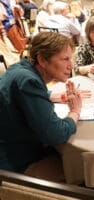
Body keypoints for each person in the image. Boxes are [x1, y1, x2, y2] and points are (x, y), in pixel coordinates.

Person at [0, 32, 82, 181]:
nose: (71, 65)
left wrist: (48, 95)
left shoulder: (20, 68)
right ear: (42, 60)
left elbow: (15, 94)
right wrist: (75, 112)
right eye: (65, 59)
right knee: (80, 170)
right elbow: (55, 135)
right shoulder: (29, 82)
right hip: (15, 166)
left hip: (14, 150)